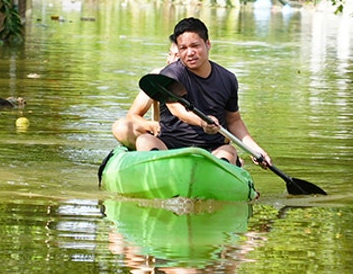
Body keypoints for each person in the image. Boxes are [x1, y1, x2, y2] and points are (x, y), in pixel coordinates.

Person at [135, 17, 271, 169]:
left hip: (212, 149)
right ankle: (158, 171)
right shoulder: (170, 74)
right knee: (144, 140)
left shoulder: (228, 79)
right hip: (170, 145)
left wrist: (255, 149)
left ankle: (220, 172)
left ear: (208, 44)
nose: (190, 53)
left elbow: (234, 121)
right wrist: (202, 122)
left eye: (195, 46)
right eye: (183, 48)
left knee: (228, 151)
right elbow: (177, 109)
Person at [111, 41, 178, 148]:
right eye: (170, 54)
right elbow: (132, 115)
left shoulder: (203, 77)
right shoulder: (157, 76)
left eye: (177, 56)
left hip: (193, 139)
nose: (170, 61)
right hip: (162, 138)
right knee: (121, 127)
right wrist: (150, 125)